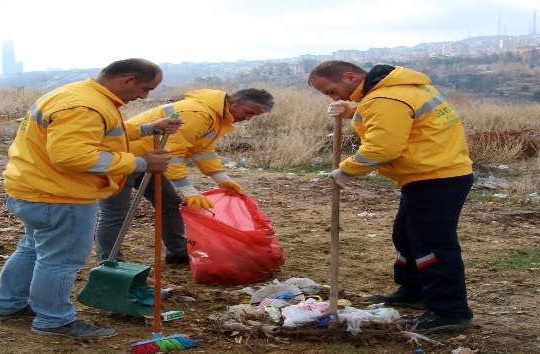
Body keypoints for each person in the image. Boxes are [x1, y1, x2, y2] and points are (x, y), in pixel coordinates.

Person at [0, 58, 182, 339]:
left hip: (31, 188)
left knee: (33, 247)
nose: (145, 96)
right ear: (127, 80)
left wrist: (148, 128)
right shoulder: (86, 106)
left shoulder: (76, 95)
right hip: (61, 195)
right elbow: (72, 156)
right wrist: (140, 163)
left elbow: (102, 133)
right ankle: (54, 320)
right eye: (146, 88)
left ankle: (6, 304)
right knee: (61, 259)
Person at [308, 60, 474, 332]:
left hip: (435, 178)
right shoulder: (400, 86)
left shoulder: (384, 97)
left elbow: (382, 149)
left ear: (349, 76)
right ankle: (414, 290)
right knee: (406, 236)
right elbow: (394, 117)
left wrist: (345, 171)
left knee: (432, 246)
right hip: (432, 173)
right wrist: (352, 109)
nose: (334, 97)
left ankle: (450, 311)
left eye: (332, 91)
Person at [95, 88, 274, 264]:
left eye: (254, 116)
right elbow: (173, 154)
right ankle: (110, 264)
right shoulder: (197, 113)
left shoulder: (215, 117)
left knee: (170, 204)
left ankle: (178, 252)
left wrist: (222, 179)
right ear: (233, 102)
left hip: (148, 161)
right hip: (120, 159)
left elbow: (202, 150)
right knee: (114, 214)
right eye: (248, 112)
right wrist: (188, 190)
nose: (248, 118)